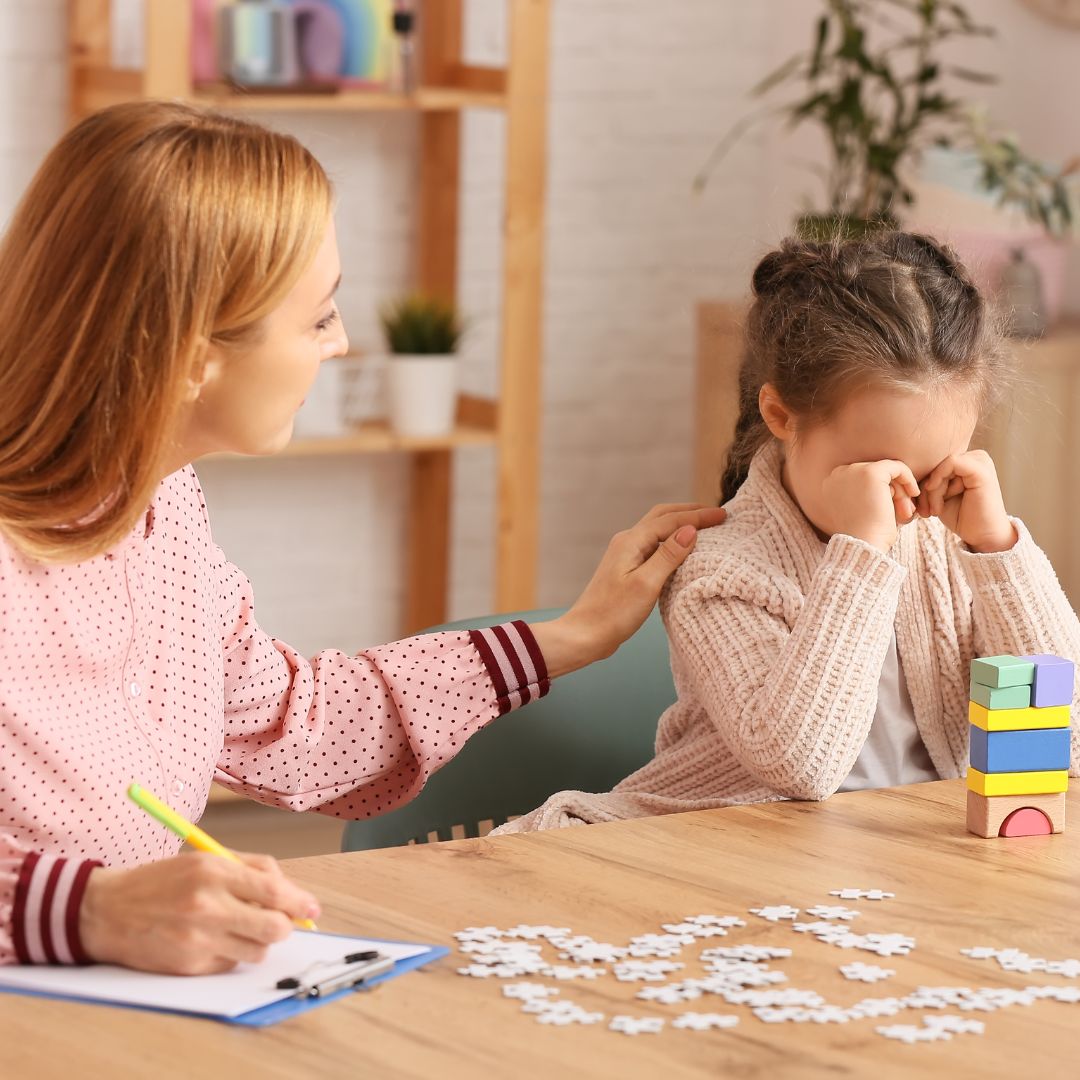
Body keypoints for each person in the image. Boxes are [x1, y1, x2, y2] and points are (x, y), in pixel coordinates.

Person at [0, 101, 725, 973]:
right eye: (316, 318)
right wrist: (83, 913)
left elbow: (291, 722)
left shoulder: (162, 510)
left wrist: (570, 637)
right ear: (196, 354)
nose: (339, 345)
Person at [495, 230, 1080, 834]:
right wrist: (860, 557)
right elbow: (801, 764)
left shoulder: (958, 546)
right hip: (737, 845)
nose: (906, 502)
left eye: (929, 470)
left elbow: (1072, 742)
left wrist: (1000, 552)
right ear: (780, 415)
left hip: (914, 855)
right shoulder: (719, 570)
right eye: (872, 471)